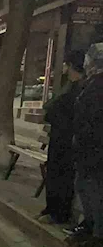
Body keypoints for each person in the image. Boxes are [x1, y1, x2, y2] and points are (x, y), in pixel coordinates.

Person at [39, 51, 86, 226]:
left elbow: (58, 109)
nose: (64, 68)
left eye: (66, 65)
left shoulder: (79, 88)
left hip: (66, 141)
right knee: (54, 174)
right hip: (59, 138)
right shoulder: (69, 86)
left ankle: (58, 213)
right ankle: (51, 209)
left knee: (62, 178)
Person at [69, 43, 103, 247]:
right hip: (86, 149)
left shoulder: (98, 86)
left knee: (94, 190)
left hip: (94, 150)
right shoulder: (92, 84)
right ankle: (90, 226)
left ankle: (98, 234)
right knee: (84, 187)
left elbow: (93, 119)